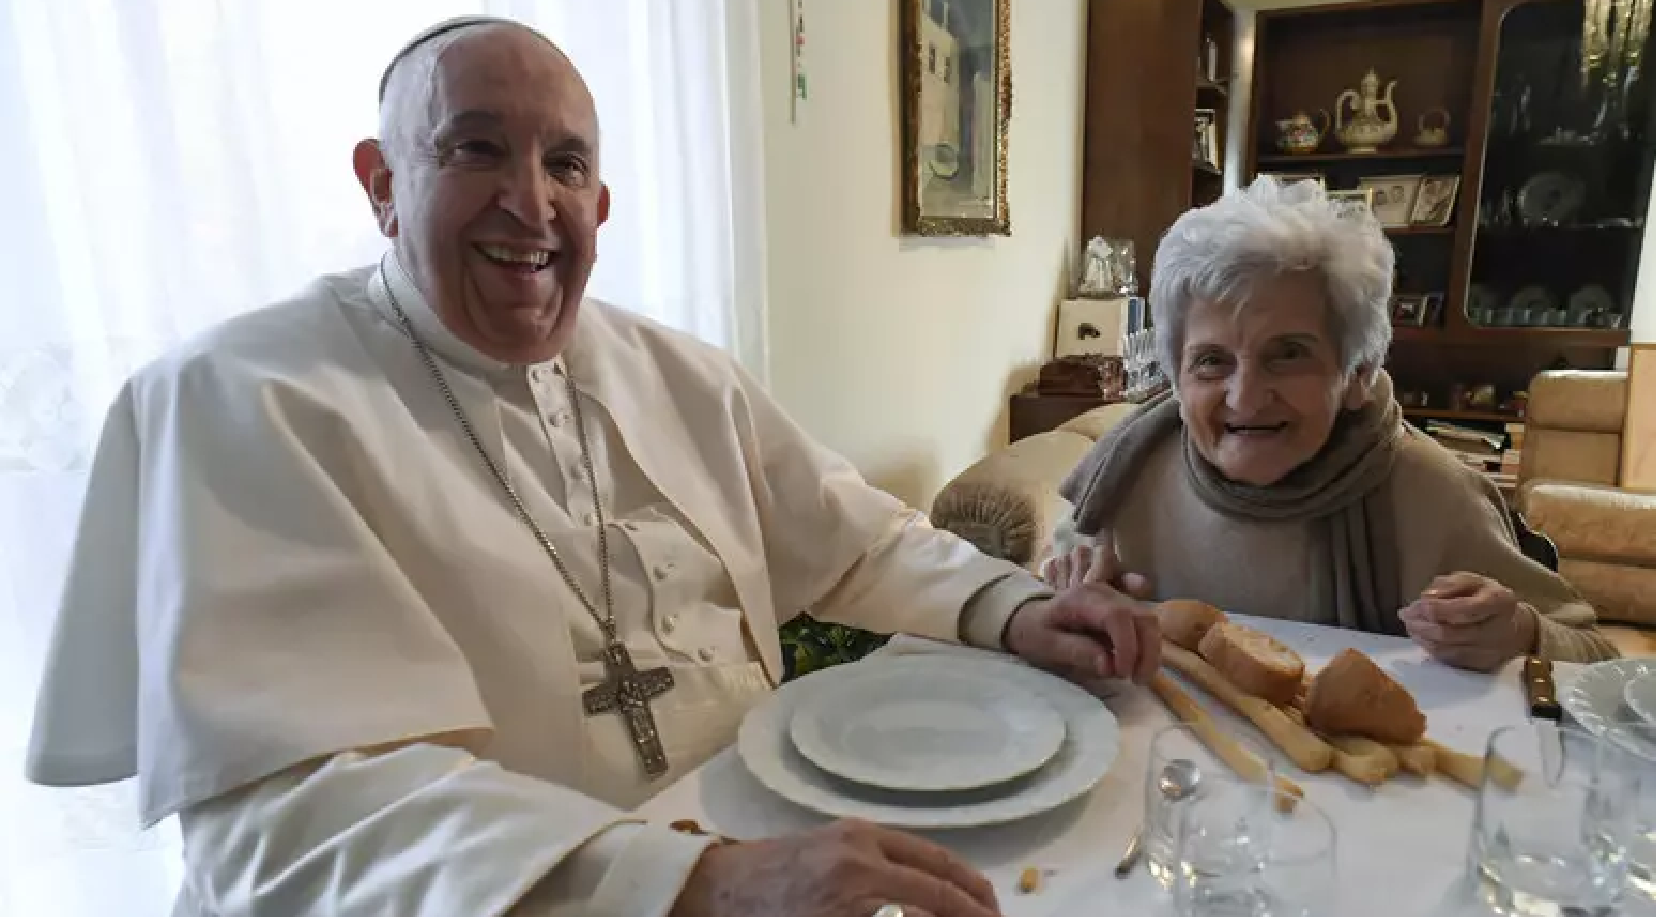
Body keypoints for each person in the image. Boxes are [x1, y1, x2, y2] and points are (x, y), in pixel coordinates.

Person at [24, 16, 1159, 917]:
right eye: (475, 147)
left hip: (761, 845)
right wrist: (684, 882)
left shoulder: (676, 370)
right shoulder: (242, 399)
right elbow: (288, 819)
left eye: (565, 163)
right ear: (379, 183)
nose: (531, 201)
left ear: (600, 205)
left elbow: (851, 532)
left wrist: (1012, 607)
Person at [1044, 176, 1616, 672]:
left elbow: (1596, 657)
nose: (1246, 397)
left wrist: (1520, 634)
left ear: (1357, 372)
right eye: (1212, 361)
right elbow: (1053, 596)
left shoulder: (1431, 492)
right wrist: (1073, 598)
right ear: (1176, 376)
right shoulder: (1129, 474)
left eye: (1288, 354)